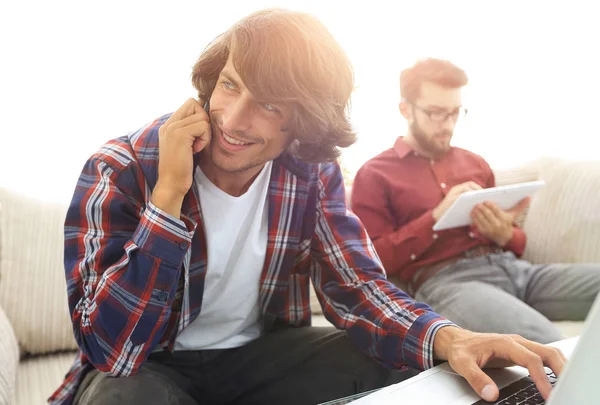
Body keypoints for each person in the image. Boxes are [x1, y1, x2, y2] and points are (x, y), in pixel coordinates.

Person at [51, 12, 566, 405]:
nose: (233, 118)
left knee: (410, 365)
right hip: (149, 369)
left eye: (271, 103)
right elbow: (111, 351)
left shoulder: (310, 171)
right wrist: (166, 201)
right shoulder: (119, 167)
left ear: (306, 120)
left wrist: (451, 338)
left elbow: (357, 289)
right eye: (230, 85)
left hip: (260, 362)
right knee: (123, 396)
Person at [351, 58, 600, 346]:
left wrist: (505, 234)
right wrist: (435, 218)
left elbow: (515, 242)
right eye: (436, 113)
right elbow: (373, 258)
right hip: (450, 282)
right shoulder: (375, 174)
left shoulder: (474, 163)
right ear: (405, 109)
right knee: (547, 346)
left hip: (516, 271)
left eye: (455, 113)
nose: (448, 124)